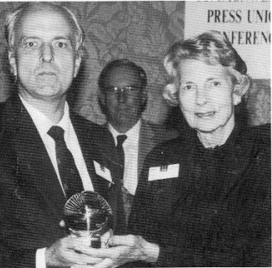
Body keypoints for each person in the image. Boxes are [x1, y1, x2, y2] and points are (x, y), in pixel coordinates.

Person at [73, 31, 271, 267]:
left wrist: (155, 254)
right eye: (189, 86)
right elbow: (137, 249)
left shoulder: (264, 154)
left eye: (214, 84)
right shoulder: (161, 157)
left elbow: (254, 259)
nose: (201, 99)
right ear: (176, 95)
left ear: (236, 91)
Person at [0, 2, 115, 268]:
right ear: (12, 61)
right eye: (31, 44)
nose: (47, 56)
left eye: (60, 44)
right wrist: (43, 259)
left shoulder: (102, 140)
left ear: (77, 62)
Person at [97, 59, 178, 234]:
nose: (122, 99)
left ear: (143, 96)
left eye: (131, 90)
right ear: (102, 97)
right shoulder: (86, 143)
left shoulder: (171, 142)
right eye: (113, 90)